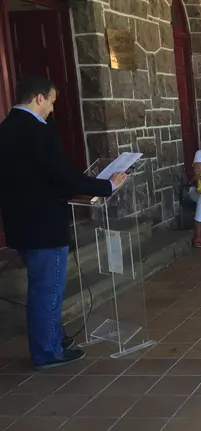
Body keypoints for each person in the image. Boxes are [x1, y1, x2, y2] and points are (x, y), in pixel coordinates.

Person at [0, 76, 127, 370]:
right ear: (39, 98)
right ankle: (48, 352)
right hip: (44, 226)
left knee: (43, 287)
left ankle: (55, 336)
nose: (52, 109)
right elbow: (63, 177)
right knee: (47, 291)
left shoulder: (6, 129)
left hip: (21, 224)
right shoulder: (37, 131)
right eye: (52, 102)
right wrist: (107, 186)